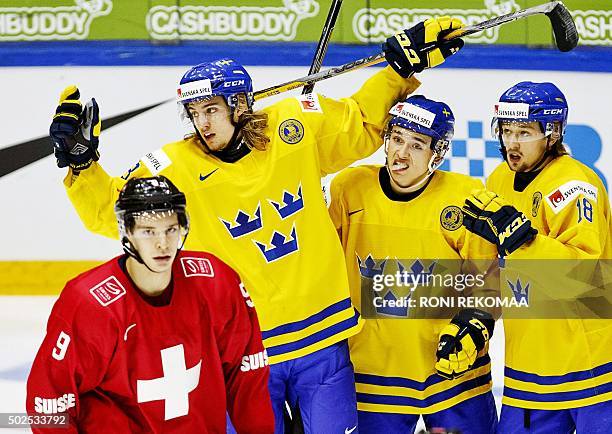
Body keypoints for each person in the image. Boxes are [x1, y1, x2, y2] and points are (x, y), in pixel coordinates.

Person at [48, 17, 466, 433]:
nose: (203, 123)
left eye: (211, 109)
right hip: (245, 351)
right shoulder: (176, 167)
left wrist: (399, 68)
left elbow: (362, 123)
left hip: (322, 338)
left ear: (240, 105)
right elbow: (114, 214)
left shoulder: (293, 127)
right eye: (194, 112)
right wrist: (82, 164)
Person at [27, 176, 274, 433]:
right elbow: (48, 401)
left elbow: (247, 374)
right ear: (127, 233)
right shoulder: (90, 305)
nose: (162, 243)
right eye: (148, 232)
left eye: (170, 229)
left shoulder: (216, 282)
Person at [328, 95, 498, 434]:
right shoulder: (349, 188)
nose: (401, 153)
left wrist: (476, 323)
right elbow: (323, 262)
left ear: (438, 153)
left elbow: (490, 280)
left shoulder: (465, 197)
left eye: (417, 145)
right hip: (373, 371)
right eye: (396, 139)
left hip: (452, 369)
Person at [460, 81, 612, 433]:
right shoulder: (499, 178)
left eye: (524, 132)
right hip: (528, 368)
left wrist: (524, 240)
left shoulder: (574, 187)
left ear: (552, 133)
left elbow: (581, 276)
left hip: (590, 365)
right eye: (507, 131)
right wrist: (474, 318)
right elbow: (487, 270)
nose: (512, 143)